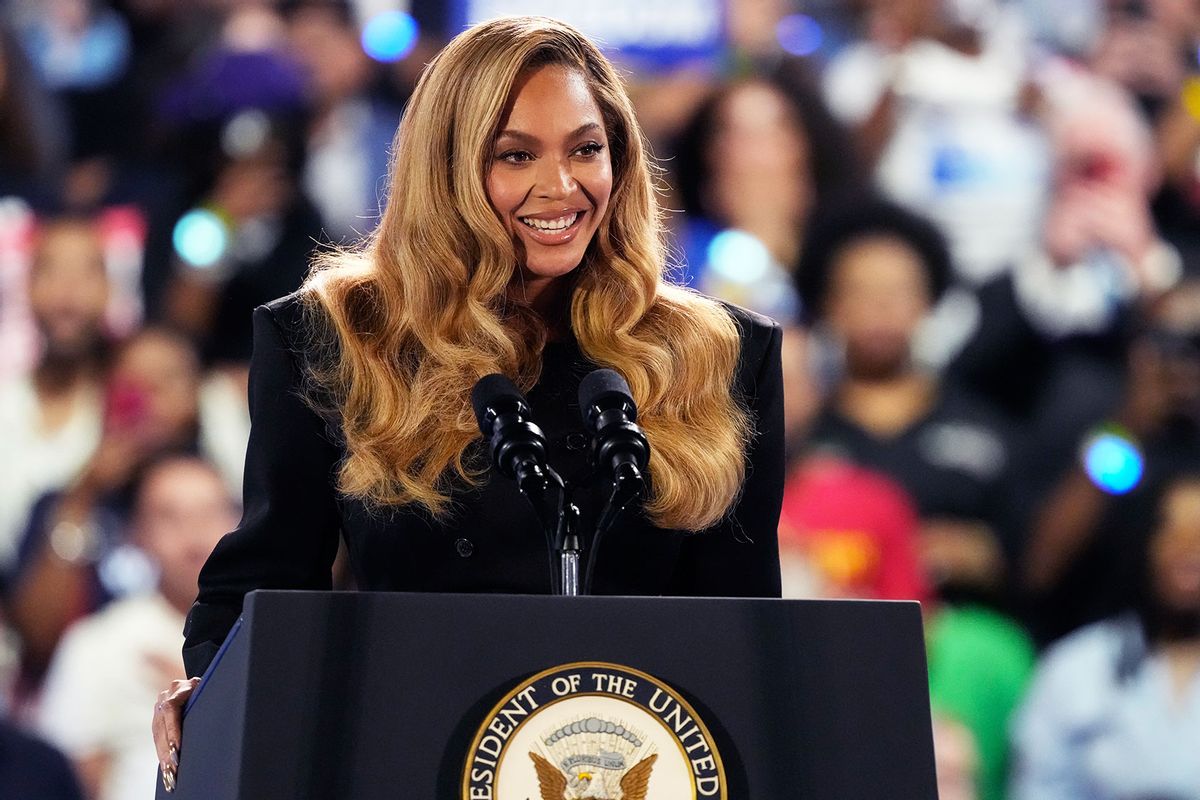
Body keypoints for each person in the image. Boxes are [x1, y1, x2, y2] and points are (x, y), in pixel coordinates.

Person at [151, 16, 784, 792]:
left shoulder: (717, 355)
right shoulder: (337, 338)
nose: (562, 187)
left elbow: (749, 632)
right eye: (516, 156)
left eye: (586, 149)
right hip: (404, 754)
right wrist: (213, 700)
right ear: (445, 168)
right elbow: (267, 575)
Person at [38, 455, 236, 800]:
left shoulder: (263, 637)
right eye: (170, 517)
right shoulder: (97, 644)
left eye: (209, 512)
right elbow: (68, 778)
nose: (194, 535)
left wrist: (206, 701)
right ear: (137, 533)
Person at [1011, 471, 1200, 799]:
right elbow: (1039, 788)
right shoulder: (1078, 665)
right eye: (1173, 533)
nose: (1188, 550)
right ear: (1144, 545)